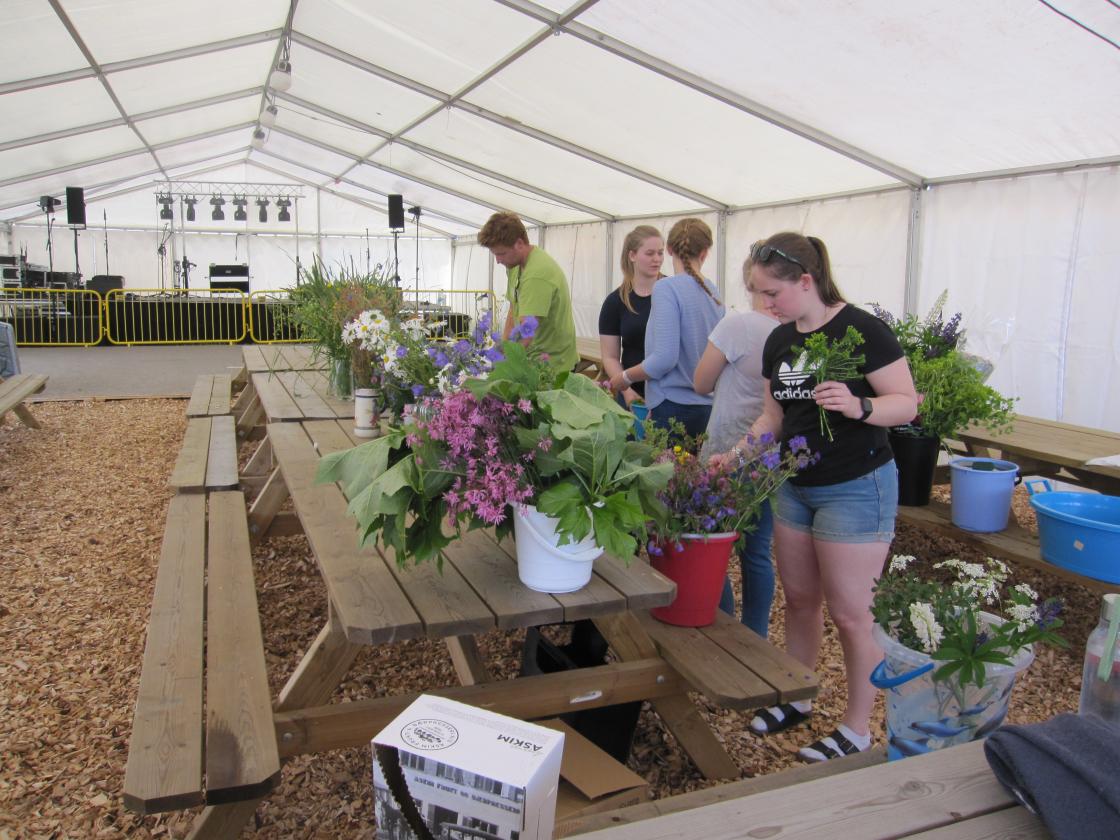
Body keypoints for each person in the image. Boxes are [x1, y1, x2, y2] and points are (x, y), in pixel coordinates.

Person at [712, 231, 917, 762]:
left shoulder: (863, 330)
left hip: (856, 487)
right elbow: (774, 418)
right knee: (800, 599)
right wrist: (735, 456)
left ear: (805, 281)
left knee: (852, 614)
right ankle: (798, 695)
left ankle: (855, 728)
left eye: (771, 293)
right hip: (795, 487)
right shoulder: (780, 340)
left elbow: (906, 404)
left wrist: (860, 407)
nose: (764, 304)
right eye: (757, 294)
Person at [695, 271, 780, 638]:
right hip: (771, 453)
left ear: (748, 283)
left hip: (727, 447)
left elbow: (700, 382)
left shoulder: (739, 325)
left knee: (711, 544)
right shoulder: (793, 331)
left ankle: (723, 625)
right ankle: (755, 635)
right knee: (757, 552)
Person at [608, 218, 723, 439]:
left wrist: (625, 377)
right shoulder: (713, 291)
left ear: (669, 250)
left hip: (673, 407)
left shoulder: (666, 288)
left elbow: (664, 359)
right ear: (705, 252)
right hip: (706, 408)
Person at [477, 211, 578, 373]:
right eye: (495, 254)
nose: (498, 260)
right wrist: (503, 349)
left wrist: (504, 368)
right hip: (532, 358)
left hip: (552, 367)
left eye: (501, 253)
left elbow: (526, 334)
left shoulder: (536, 276)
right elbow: (513, 310)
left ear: (519, 243)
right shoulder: (516, 265)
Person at [598, 225, 664, 407]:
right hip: (631, 395)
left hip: (668, 394)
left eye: (660, 253)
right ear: (632, 255)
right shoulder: (615, 302)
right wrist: (626, 391)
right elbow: (610, 356)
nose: (656, 259)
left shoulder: (672, 295)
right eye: (650, 253)